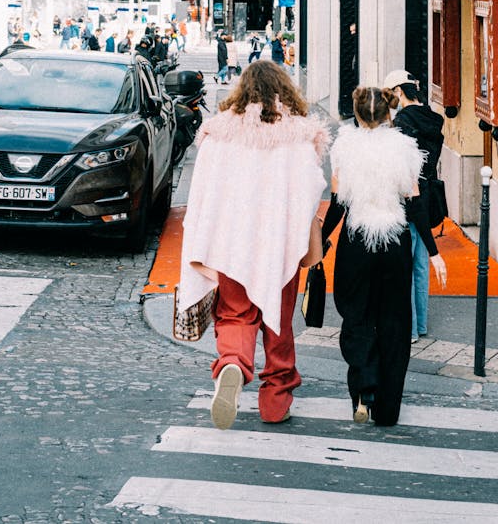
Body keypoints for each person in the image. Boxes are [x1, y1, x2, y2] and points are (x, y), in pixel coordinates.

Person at [178, 61, 327, 428]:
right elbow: (311, 188)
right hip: (279, 243)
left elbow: (203, 192)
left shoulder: (220, 134)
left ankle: (232, 363)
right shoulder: (299, 135)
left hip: (231, 243)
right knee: (278, 322)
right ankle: (276, 399)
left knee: (234, 315)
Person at [320, 85, 446, 427]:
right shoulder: (404, 148)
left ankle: (364, 385)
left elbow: (337, 205)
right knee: (394, 322)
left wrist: (319, 239)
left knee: (356, 316)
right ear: (389, 113)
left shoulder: (344, 146)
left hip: (356, 240)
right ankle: (388, 409)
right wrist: (434, 253)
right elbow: (415, 204)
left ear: (358, 113)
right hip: (394, 242)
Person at [383, 69, 445, 343]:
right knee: (420, 262)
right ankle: (420, 323)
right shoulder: (434, 118)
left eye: (390, 94)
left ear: (398, 91)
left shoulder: (403, 122)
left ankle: (407, 328)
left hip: (408, 193)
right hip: (429, 192)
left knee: (405, 262)